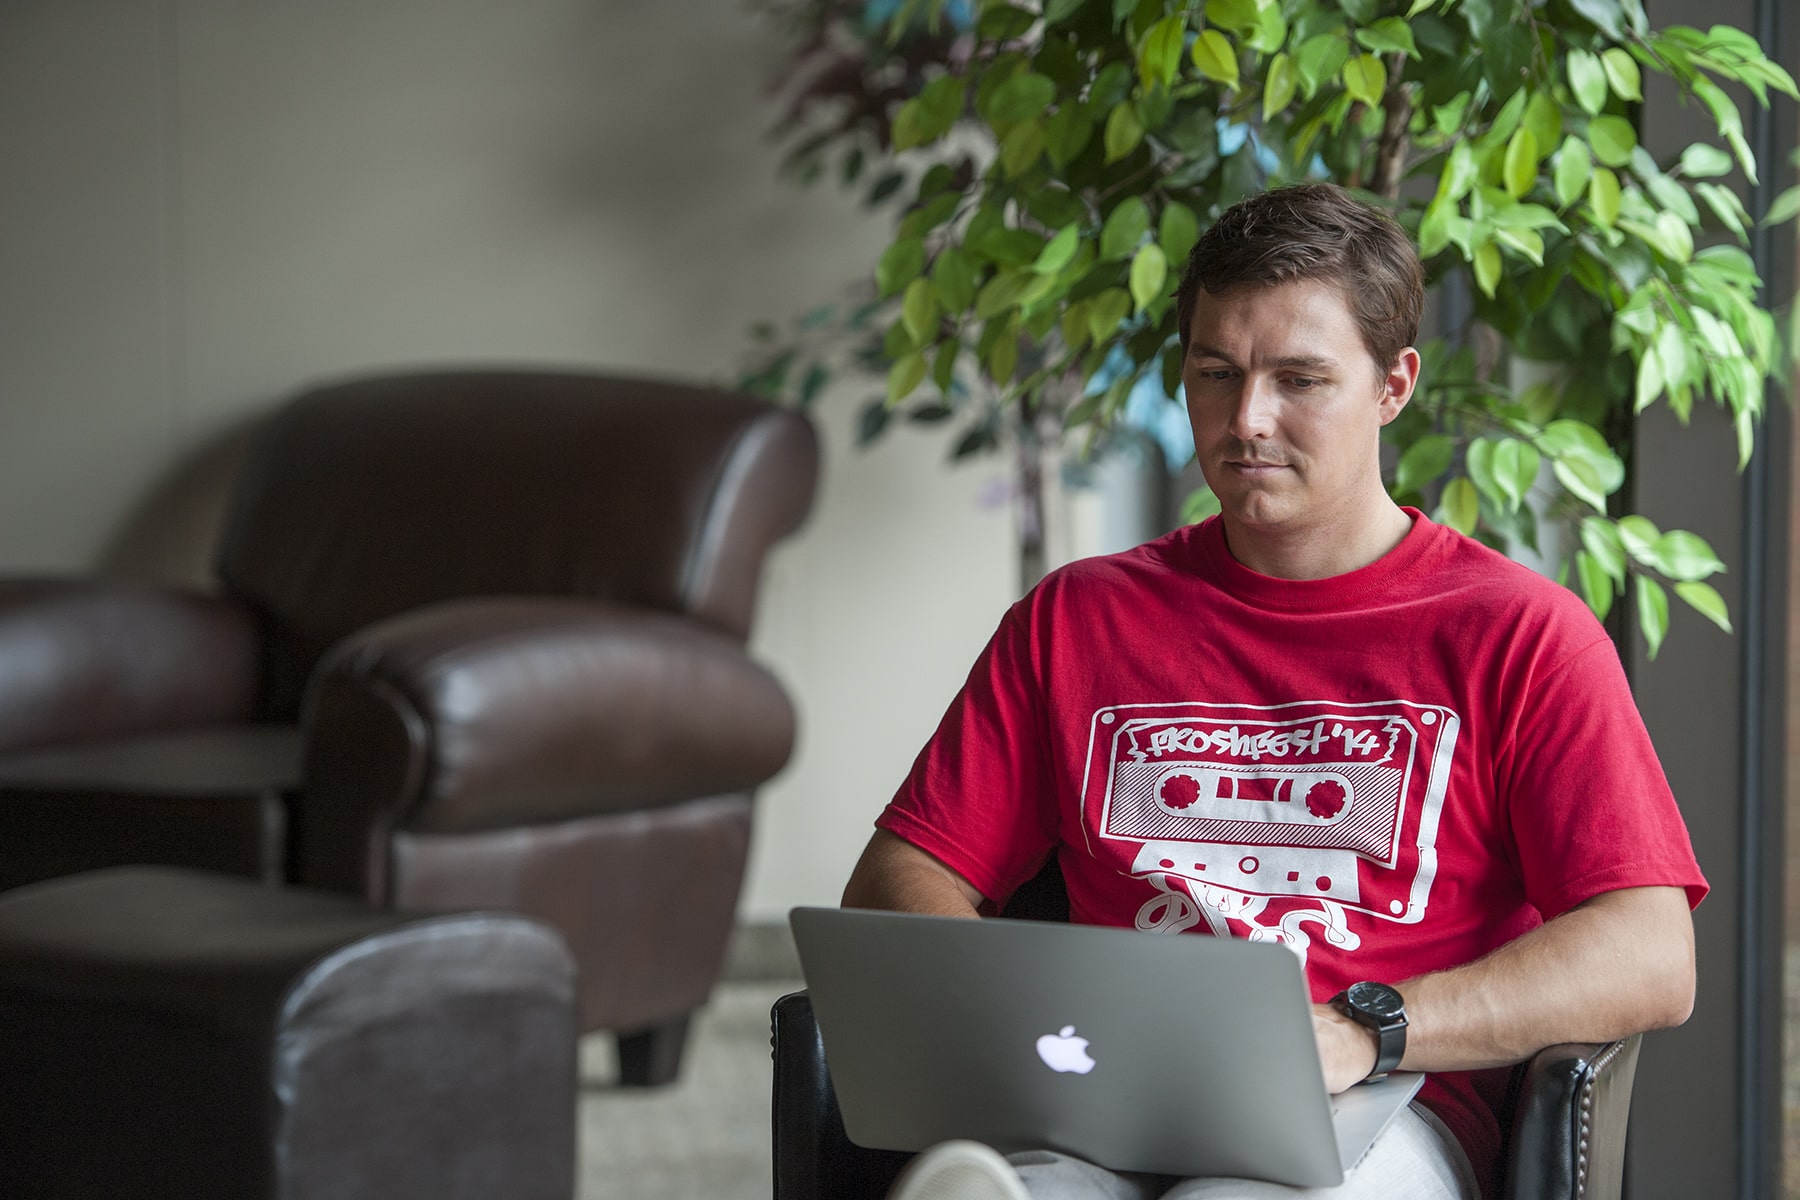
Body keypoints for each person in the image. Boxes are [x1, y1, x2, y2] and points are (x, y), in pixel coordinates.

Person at [841, 182, 1705, 1200]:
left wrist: (1368, 1029)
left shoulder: (1519, 636)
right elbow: (900, 879)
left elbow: (1650, 953)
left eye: (1301, 379)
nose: (1248, 419)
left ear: (1394, 386)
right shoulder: (1077, 619)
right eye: (1217, 373)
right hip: (1097, 1108)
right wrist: (1011, 1035)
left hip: (1374, 1112)